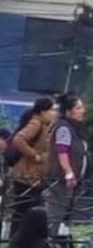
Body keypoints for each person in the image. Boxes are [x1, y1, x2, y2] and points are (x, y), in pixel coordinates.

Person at [8, 99, 56, 237]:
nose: (53, 113)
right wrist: (34, 155)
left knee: (28, 209)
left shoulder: (44, 125)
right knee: (24, 210)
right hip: (26, 176)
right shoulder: (35, 124)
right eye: (51, 110)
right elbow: (18, 139)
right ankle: (15, 241)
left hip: (34, 176)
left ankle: (21, 241)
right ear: (42, 111)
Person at [45, 95, 87, 247]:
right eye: (78, 108)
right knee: (54, 214)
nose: (82, 111)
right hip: (61, 181)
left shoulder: (74, 129)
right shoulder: (64, 128)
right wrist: (68, 173)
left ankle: (54, 245)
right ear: (68, 111)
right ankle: (47, 245)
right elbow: (62, 151)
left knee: (61, 215)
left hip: (70, 182)